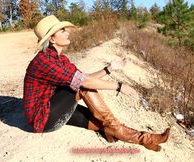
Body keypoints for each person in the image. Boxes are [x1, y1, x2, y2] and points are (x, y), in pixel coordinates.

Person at [23, 15, 170, 151]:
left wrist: (109, 69)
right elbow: (84, 82)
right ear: (52, 39)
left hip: (54, 112)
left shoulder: (60, 59)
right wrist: (118, 87)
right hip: (43, 118)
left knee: (101, 124)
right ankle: (142, 136)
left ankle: (144, 139)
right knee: (83, 86)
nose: (67, 32)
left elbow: (84, 77)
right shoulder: (44, 61)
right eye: (62, 30)